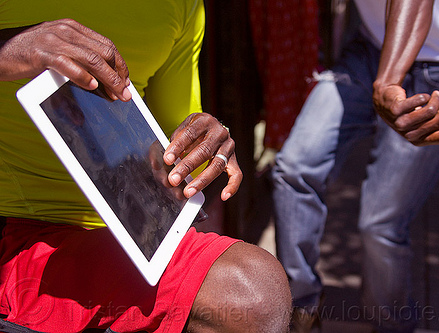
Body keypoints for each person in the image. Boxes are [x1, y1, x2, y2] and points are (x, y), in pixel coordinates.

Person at [0, 1, 292, 332]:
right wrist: (8, 48)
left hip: (134, 235)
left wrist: (202, 143)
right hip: (15, 233)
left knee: (254, 296)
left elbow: (170, 135)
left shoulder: (183, 6)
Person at [271, 0, 439, 332]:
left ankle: (392, 325)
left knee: (380, 222)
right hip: (370, 46)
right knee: (295, 166)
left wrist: (387, 82)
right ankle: (301, 311)